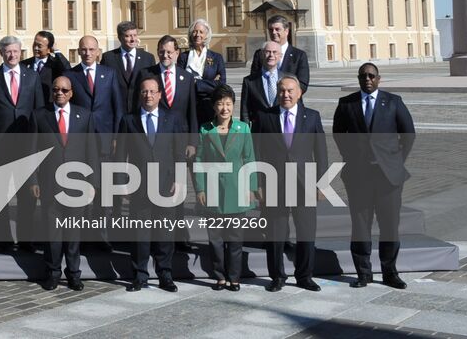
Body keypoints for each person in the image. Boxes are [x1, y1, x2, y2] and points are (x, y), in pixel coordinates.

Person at [332, 63, 416, 289]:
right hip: (358, 176)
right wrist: (351, 156)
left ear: (379, 79)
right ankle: (363, 273)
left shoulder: (393, 102)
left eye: (371, 76)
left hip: (388, 177)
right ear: (358, 79)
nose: (367, 79)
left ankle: (390, 272)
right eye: (363, 76)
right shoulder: (346, 103)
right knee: (360, 226)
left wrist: (395, 161)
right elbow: (339, 134)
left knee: (389, 226)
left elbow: (408, 134)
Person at [252, 75, 328, 292]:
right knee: (276, 233)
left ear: (299, 93)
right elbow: (256, 153)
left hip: (305, 184)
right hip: (274, 183)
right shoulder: (264, 117)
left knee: (306, 232)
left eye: (290, 90)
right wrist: (258, 183)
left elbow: (321, 153)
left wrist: (322, 184)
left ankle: (304, 276)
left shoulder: (312, 117)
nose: (286, 94)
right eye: (282, 90)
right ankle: (276, 277)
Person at [30, 74, 96, 292]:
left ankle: (74, 274)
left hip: (77, 185)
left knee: (74, 234)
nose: (59, 93)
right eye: (56, 89)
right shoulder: (40, 116)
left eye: (64, 90)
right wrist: (33, 181)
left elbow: (91, 152)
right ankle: (53, 273)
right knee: (52, 234)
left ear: (71, 93)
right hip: (49, 184)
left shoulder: (84, 116)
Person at [0, 35, 41, 250]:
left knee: (26, 195)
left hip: (26, 144)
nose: (12, 55)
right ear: (1, 53)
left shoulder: (32, 77)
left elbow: (39, 111)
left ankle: (26, 240)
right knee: (0, 194)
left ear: (21, 52)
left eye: (15, 51)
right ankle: (2, 239)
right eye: (8, 51)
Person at [122, 76, 182, 292]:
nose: (148, 95)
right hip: (138, 185)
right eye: (144, 91)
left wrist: (179, 177)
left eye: (152, 91)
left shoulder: (171, 118)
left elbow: (179, 151)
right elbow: (120, 155)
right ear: (140, 94)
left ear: (159, 94)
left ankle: (165, 274)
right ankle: (139, 276)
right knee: (140, 234)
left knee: (165, 234)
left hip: (166, 184)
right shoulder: (129, 120)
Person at [196, 84, 255, 291]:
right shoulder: (205, 129)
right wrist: (200, 189)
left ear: (233, 106)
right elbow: (199, 161)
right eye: (220, 104)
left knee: (236, 239)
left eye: (228, 104)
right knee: (216, 239)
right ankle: (220, 276)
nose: (224, 108)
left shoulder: (243, 128)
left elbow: (249, 159)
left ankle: (235, 277)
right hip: (213, 190)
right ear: (214, 106)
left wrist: (251, 187)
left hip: (237, 189)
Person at [70, 35, 125, 137]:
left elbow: (117, 106)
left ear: (98, 51)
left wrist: (117, 136)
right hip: (80, 133)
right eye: (84, 50)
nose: (88, 53)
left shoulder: (110, 73)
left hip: (105, 132)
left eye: (91, 49)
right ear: (78, 51)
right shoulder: (69, 75)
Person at [148, 35, 200, 137]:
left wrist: (192, 142)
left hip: (181, 135)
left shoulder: (187, 77)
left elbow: (192, 111)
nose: (165, 55)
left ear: (177, 53)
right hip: (155, 134)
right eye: (161, 52)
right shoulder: (147, 74)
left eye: (169, 52)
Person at [101, 21, 155, 115]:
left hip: (140, 112)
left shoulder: (148, 58)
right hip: (116, 112)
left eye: (135, 35)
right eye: (128, 36)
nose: (133, 39)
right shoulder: (108, 58)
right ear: (120, 37)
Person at [247, 16, 310, 92]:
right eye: (271, 30)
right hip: (265, 102)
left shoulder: (299, 55)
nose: (273, 32)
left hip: (289, 101)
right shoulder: (260, 54)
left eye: (277, 29)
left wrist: (283, 96)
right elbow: (254, 80)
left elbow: (302, 84)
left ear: (286, 31)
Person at [184, 20, 227, 126]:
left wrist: (195, 83)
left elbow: (221, 84)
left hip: (210, 106)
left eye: (201, 32)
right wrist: (210, 83)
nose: (197, 35)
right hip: (188, 105)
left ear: (206, 35)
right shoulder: (183, 57)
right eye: (194, 31)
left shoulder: (216, 57)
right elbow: (181, 82)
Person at [240, 41, 283, 124]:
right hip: (259, 130)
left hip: (282, 128)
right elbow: (245, 111)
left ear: (280, 56)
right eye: (267, 52)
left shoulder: (288, 79)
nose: (271, 55)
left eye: (275, 52)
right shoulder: (249, 81)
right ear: (262, 54)